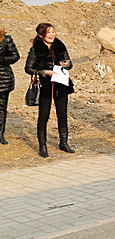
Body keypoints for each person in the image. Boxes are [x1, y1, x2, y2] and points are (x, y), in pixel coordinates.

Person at [24, 23, 75, 158]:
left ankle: (63, 143)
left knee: (62, 114)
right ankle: (43, 146)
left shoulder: (60, 46)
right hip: (45, 85)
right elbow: (28, 68)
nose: (52, 35)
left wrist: (67, 64)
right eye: (49, 32)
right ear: (41, 35)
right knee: (44, 116)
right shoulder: (36, 49)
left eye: (53, 32)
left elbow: (70, 63)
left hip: (61, 84)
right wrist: (45, 72)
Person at [0, 27, 20, 145]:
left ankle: (0, 134)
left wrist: (2, 59)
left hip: (3, 79)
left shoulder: (6, 39)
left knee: (2, 108)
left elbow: (15, 56)